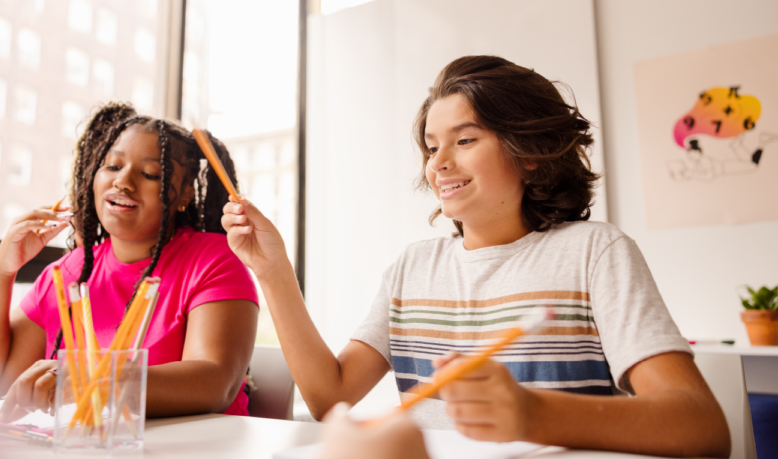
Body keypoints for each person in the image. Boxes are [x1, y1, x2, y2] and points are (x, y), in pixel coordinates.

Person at [223, 56, 730, 457]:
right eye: (430, 147)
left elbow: (700, 426)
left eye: (464, 140)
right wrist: (273, 271)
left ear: (530, 151)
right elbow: (330, 398)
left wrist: (531, 414)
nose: (439, 163)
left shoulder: (594, 252)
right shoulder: (412, 268)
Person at [0, 103, 259, 421]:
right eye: (112, 167)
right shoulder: (68, 273)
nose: (123, 182)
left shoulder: (214, 260)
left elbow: (215, 384)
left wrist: (94, 380)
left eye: (150, 174)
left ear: (185, 194)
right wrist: (2, 268)